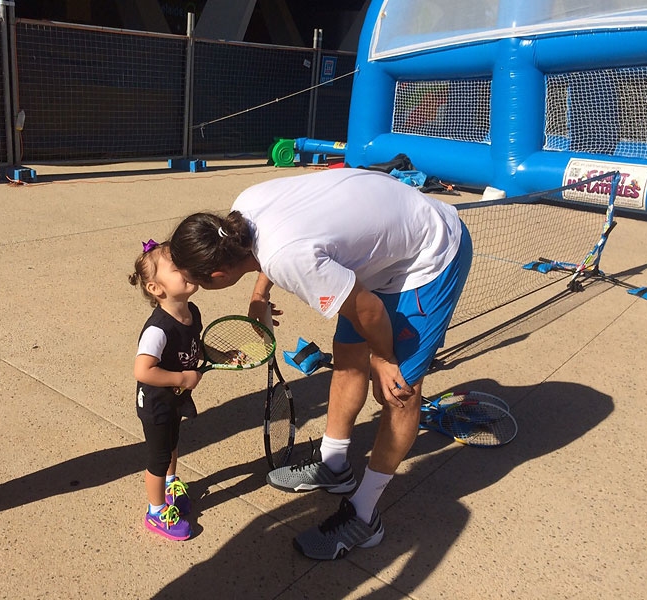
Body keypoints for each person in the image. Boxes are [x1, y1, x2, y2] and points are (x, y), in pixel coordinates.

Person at [169, 167, 472, 560]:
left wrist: (383, 357)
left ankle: (364, 516)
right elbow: (274, 246)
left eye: (198, 283)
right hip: (385, 250)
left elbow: (368, 309)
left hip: (430, 256)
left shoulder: (286, 257)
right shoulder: (243, 209)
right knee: (347, 356)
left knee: (399, 392)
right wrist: (260, 295)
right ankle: (334, 465)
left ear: (218, 274)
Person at [129, 239, 204, 541]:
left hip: (175, 398)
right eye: (177, 268)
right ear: (156, 288)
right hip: (156, 403)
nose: (187, 269)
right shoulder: (158, 329)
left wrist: (212, 354)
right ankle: (156, 511)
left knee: (173, 443)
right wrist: (182, 379)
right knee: (159, 457)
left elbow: (193, 345)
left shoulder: (191, 312)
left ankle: (171, 485)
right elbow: (143, 370)